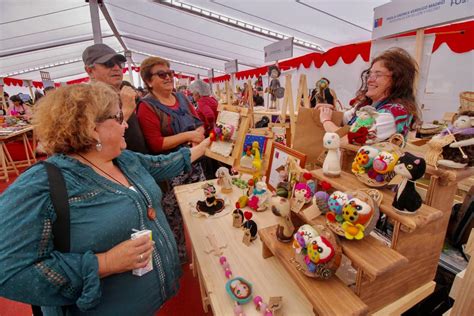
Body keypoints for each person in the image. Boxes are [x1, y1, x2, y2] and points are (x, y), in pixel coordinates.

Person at [0, 83, 210, 315]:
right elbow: (8, 271)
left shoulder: (123, 159)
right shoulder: (42, 184)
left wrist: (206, 145)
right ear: (92, 128)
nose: (126, 124)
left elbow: (161, 164)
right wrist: (105, 263)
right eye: (119, 117)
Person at [137, 56, 206, 263]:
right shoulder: (146, 107)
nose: (168, 77)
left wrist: (199, 134)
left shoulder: (182, 98)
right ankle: (180, 260)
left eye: (170, 73)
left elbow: (198, 123)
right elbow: (156, 143)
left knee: (202, 208)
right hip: (170, 171)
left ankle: (206, 249)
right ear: (149, 81)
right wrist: (188, 136)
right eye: (161, 74)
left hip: (195, 163)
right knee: (174, 218)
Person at [318, 48, 419, 142]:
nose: (370, 80)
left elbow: (351, 140)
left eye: (378, 75)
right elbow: (345, 118)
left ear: (397, 80)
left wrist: (326, 121)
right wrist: (328, 110)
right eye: (370, 74)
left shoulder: (395, 113)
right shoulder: (367, 105)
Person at [83, 43, 149, 154]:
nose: (117, 68)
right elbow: (92, 143)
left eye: (119, 64)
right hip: (117, 166)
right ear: (90, 71)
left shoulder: (122, 94)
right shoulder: (86, 100)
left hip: (140, 162)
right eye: (108, 64)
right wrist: (126, 111)